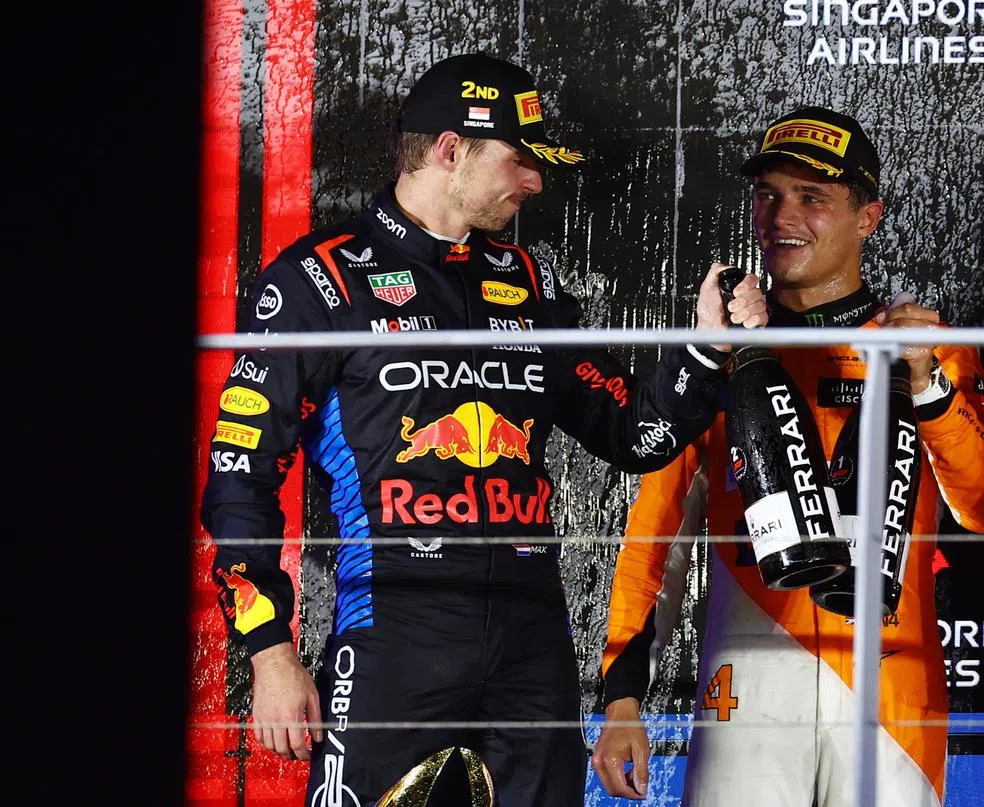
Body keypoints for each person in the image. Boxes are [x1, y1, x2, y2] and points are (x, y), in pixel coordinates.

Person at [200, 52, 765, 807]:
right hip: (394, 628)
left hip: (532, 640)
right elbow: (240, 476)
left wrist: (704, 351)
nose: (535, 182)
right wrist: (270, 651)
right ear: (449, 149)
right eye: (519, 161)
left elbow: (634, 433)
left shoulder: (529, 283)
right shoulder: (318, 281)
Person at [592, 106, 984, 806]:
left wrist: (927, 387)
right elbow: (656, 535)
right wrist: (621, 697)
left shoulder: (928, 345)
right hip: (749, 679)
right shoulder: (719, 346)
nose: (782, 217)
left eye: (812, 196)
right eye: (767, 196)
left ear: (868, 217)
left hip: (892, 686)